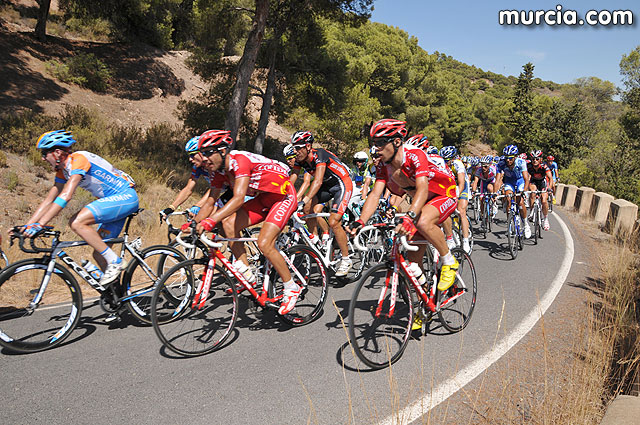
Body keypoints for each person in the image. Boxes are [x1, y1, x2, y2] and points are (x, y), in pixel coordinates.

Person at [348, 119, 459, 328]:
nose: (375, 148)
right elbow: (375, 194)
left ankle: (449, 260)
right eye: (374, 143)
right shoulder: (382, 166)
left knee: (423, 221)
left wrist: (410, 217)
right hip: (422, 200)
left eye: (381, 143)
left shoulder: (415, 156)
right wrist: (360, 221)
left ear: (397, 141)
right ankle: (425, 304)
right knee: (413, 265)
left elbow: (423, 189)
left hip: (444, 193)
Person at [188, 130, 301, 315]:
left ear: (222, 151)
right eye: (203, 153)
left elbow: (239, 198)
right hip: (264, 198)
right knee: (228, 224)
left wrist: (210, 221)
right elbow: (210, 201)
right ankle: (247, 273)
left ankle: (291, 287)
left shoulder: (239, 161)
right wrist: (194, 223)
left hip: (283, 196)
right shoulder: (217, 171)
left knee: (264, 243)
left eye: (209, 152)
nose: (205, 158)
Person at [19, 130, 138, 286]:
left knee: (76, 222)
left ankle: (116, 261)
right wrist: (27, 225)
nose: (42, 157)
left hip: (126, 197)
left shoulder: (78, 159)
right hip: (114, 203)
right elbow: (51, 198)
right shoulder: (63, 171)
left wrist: (40, 225)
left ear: (57, 153)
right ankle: (119, 297)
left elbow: (66, 196)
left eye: (44, 153)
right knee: (99, 253)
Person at [291, 131, 354, 277]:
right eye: (294, 147)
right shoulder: (299, 160)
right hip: (327, 187)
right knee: (308, 209)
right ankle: (316, 241)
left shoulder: (320, 154)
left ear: (307, 146)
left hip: (342, 184)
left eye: (298, 147)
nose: (295, 151)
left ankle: (346, 259)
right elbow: (292, 179)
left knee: (333, 221)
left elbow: (317, 181)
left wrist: (305, 199)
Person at [159, 136, 212, 221]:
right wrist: (171, 207)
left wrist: (198, 206)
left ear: (203, 152)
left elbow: (216, 189)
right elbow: (188, 189)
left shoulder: (214, 166)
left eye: (192, 155)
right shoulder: (198, 167)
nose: (190, 159)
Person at [495, 144, 532, 238]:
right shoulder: (501, 164)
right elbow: (498, 180)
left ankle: (525, 223)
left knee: (520, 203)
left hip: (520, 181)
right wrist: (495, 193)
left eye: (511, 158)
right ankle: (510, 226)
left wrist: (524, 191)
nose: (508, 160)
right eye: (506, 158)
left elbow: (526, 178)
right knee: (508, 200)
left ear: (515, 157)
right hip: (509, 182)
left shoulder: (521, 162)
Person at [527, 150, 554, 231]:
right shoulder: (528, 166)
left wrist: (550, 188)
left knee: (544, 200)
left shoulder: (544, 167)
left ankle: (545, 219)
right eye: (533, 159)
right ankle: (532, 211)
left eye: (537, 159)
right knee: (532, 192)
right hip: (534, 181)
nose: (535, 161)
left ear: (541, 159)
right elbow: (525, 177)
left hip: (543, 182)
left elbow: (550, 178)